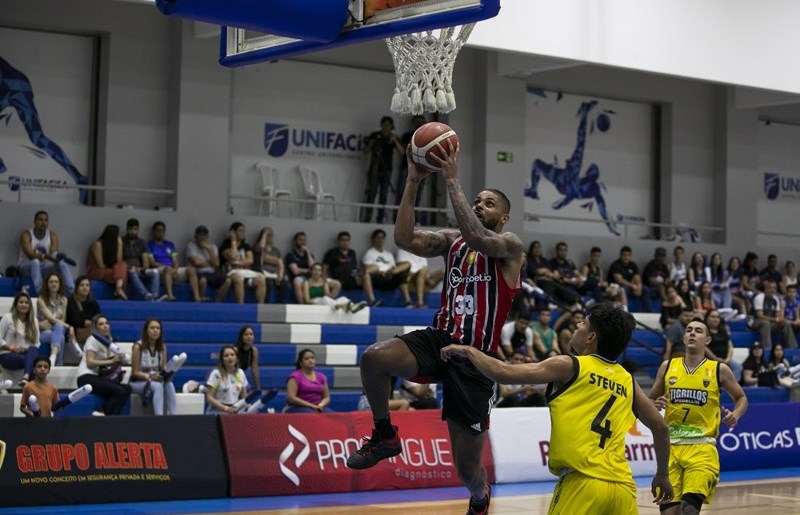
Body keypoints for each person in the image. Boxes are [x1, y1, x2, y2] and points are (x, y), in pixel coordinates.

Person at [346, 141, 524, 515]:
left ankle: (479, 496)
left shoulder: (509, 245)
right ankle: (384, 434)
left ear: (504, 217)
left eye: (489, 203)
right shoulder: (451, 240)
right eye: (478, 200)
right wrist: (412, 180)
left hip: (476, 359)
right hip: (440, 338)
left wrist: (452, 180)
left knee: (466, 470)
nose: (479, 205)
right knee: (374, 358)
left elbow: (479, 238)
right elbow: (404, 239)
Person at [441, 302, 673, 513]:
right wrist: (662, 474)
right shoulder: (628, 380)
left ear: (591, 337)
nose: (578, 325)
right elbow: (661, 428)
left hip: (582, 484)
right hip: (623, 488)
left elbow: (503, 372)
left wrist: (470, 351)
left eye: (583, 322)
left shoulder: (568, 365)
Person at [650, 318, 748, 515]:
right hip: (671, 449)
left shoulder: (719, 369)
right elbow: (650, 400)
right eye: (689, 330)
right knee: (669, 513)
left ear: (708, 340)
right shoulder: (667, 367)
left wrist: (735, 414)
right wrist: (655, 403)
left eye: (698, 331)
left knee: (689, 510)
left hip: (702, 448)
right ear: (684, 337)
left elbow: (741, 397)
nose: (692, 333)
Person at [77, 314, 132, 416]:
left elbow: (124, 358)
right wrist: (112, 361)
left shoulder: (109, 342)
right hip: (86, 377)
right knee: (119, 391)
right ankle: (104, 413)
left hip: (99, 378)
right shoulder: (92, 339)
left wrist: (122, 358)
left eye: (106, 323)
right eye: (101, 324)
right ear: (96, 328)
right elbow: (90, 363)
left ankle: (110, 415)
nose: (105, 326)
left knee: (127, 389)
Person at [17, 210, 75, 296]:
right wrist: (47, 256)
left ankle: (71, 291)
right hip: (26, 267)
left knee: (61, 263)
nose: (43, 222)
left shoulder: (52, 235)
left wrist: (58, 257)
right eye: (40, 220)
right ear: (35, 221)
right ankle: (40, 292)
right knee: (35, 262)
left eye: (46, 220)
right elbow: (31, 256)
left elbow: (53, 255)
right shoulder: (26, 235)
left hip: (43, 267)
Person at [361, 115, 404, 224]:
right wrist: (372, 143)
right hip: (374, 168)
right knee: (371, 193)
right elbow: (366, 151)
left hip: (387, 170)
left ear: (391, 126)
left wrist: (394, 141)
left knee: (384, 195)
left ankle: (380, 219)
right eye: (384, 125)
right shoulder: (375, 135)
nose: (386, 127)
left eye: (388, 125)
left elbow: (402, 153)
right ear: (381, 125)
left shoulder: (393, 137)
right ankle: (367, 217)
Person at [129, 319, 177, 416]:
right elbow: (135, 372)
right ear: (146, 331)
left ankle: (173, 416)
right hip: (138, 382)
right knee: (158, 386)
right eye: (152, 328)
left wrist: (167, 375)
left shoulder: (162, 347)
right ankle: (158, 417)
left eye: (158, 328)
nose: (155, 330)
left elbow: (162, 370)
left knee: (169, 385)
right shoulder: (138, 346)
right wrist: (149, 377)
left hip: (155, 380)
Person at [323, 231, 379, 307]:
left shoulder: (352, 252)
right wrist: (324, 280)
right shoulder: (332, 253)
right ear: (338, 241)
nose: (345, 242)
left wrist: (358, 274)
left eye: (347, 240)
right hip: (340, 279)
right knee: (365, 272)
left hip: (354, 276)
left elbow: (354, 267)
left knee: (369, 273)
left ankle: (373, 301)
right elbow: (324, 268)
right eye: (342, 240)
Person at [37, 271, 79, 366]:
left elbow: (62, 320)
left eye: (56, 282)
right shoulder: (41, 300)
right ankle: (59, 364)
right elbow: (50, 318)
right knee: (60, 336)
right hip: (43, 331)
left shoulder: (64, 300)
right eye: (51, 282)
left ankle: (53, 357)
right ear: (47, 284)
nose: (54, 284)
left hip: (56, 329)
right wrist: (69, 327)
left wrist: (61, 325)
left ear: (60, 284)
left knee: (59, 329)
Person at [362, 228, 413, 307]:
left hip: (390, 276)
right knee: (366, 275)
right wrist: (379, 271)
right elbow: (367, 269)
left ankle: (408, 302)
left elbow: (394, 267)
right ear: (374, 239)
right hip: (378, 278)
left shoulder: (388, 254)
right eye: (378, 237)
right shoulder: (369, 253)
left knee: (406, 265)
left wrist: (391, 271)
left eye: (382, 237)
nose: (380, 240)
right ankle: (373, 301)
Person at [149, 221, 198, 301]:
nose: (160, 233)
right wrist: (167, 267)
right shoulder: (149, 245)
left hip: (172, 269)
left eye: (162, 231)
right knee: (168, 269)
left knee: (191, 270)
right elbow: (152, 262)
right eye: (158, 230)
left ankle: (197, 297)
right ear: (154, 232)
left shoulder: (169, 244)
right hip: (159, 270)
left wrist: (175, 269)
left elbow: (175, 260)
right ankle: (170, 295)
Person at [220, 222, 267, 304]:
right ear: (233, 232)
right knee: (238, 279)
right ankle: (241, 307)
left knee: (261, 279)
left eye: (243, 231)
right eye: (240, 230)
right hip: (230, 273)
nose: (242, 233)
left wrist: (236, 263)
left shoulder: (246, 246)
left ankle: (260, 307)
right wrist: (233, 241)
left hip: (245, 273)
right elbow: (232, 256)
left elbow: (250, 260)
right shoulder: (225, 245)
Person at [0, 292, 40, 386]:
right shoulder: (7, 318)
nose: (24, 305)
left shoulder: (34, 320)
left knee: (33, 350)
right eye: (21, 302)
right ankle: (34, 390)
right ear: (16, 304)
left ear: (29, 305)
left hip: (26, 354)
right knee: (33, 363)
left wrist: (25, 349)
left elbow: (37, 343)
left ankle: (25, 377)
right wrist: (13, 348)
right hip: (7, 354)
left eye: (26, 303)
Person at [185, 225, 232, 302]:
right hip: (198, 272)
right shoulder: (191, 246)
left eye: (204, 235)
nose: (202, 237)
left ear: (207, 236)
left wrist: (208, 249)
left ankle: (217, 302)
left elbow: (216, 264)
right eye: (200, 235)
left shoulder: (212, 247)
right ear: (195, 236)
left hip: (212, 273)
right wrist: (210, 263)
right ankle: (200, 301)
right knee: (203, 280)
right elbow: (197, 262)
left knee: (228, 281)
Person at [750, 280, 797, 348]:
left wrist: (781, 318)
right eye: (770, 288)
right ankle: (768, 349)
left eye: (774, 288)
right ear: (765, 289)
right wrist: (775, 319)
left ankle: (793, 349)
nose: (772, 290)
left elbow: (777, 315)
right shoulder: (759, 297)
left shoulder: (776, 299)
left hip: (770, 323)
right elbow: (759, 315)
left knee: (785, 324)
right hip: (756, 322)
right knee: (765, 323)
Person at [122, 218, 160, 301]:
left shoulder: (142, 242)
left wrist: (142, 268)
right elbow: (119, 259)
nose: (132, 231)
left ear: (138, 230)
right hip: (126, 270)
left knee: (155, 272)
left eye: (135, 229)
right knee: (132, 270)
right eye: (130, 229)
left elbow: (145, 261)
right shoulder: (121, 241)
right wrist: (129, 267)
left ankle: (155, 296)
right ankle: (146, 294)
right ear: (127, 229)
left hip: (139, 270)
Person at [302, 263, 367, 313]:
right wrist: (317, 301)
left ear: (321, 273)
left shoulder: (324, 282)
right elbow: (306, 300)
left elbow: (328, 296)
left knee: (343, 298)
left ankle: (353, 306)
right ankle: (340, 306)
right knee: (325, 299)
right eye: (315, 270)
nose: (316, 272)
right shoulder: (307, 282)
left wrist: (325, 285)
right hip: (314, 302)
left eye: (319, 270)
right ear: (311, 271)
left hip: (324, 301)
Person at [86, 224, 128, 300]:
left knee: (123, 264)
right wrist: (114, 270)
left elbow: (119, 260)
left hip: (107, 269)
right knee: (122, 276)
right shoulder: (98, 244)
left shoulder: (114, 245)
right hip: (95, 270)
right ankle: (118, 291)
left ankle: (118, 289)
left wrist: (120, 244)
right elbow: (100, 265)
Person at [284, 348, 332, 413]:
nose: (310, 360)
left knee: (332, 416)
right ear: (301, 363)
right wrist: (311, 406)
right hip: (297, 407)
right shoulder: (294, 377)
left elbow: (326, 397)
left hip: (317, 406)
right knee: (311, 415)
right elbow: (292, 398)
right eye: (307, 359)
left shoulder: (322, 377)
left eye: (312, 358)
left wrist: (321, 404)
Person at [205, 344, 248, 414]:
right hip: (217, 410)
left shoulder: (241, 373)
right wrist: (225, 408)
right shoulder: (216, 374)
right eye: (226, 356)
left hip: (235, 410)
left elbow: (244, 396)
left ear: (236, 358)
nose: (230, 357)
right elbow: (209, 397)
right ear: (222, 360)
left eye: (232, 355)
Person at [608, 245, 651, 312]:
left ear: (630, 256)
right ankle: (625, 312)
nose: (626, 257)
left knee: (645, 289)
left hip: (630, 287)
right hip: (617, 287)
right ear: (620, 255)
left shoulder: (633, 265)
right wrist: (632, 286)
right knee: (623, 290)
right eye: (624, 255)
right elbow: (619, 280)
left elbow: (637, 278)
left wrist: (639, 285)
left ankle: (648, 311)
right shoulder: (616, 265)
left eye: (628, 255)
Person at [704, 309, 742, 382]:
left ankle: (729, 388)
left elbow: (730, 346)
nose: (716, 319)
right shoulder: (704, 331)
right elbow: (704, 347)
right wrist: (716, 359)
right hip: (709, 360)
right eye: (713, 317)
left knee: (737, 367)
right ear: (707, 318)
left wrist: (728, 359)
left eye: (717, 317)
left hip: (725, 359)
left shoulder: (723, 330)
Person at [252, 226, 289, 303]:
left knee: (284, 283)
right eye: (268, 235)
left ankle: (280, 304)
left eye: (271, 235)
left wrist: (281, 274)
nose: (270, 237)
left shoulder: (276, 250)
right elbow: (261, 248)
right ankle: (266, 305)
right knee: (269, 283)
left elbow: (280, 264)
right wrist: (265, 233)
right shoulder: (257, 247)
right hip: (264, 273)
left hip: (274, 274)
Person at [66, 275, 100, 346]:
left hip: (89, 330)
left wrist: (89, 323)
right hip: (73, 331)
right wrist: (86, 322)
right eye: (82, 285)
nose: (85, 287)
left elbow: (98, 319)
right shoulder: (71, 301)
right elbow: (74, 320)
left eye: (87, 285)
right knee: (97, 333)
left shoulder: (93, 303)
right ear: (77, 288)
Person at [234, 325, 260, 391]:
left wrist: (258, 387)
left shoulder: (254, 351)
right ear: (241, 337)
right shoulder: (235, 349)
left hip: (241, 379)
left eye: (251, 334)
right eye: (246, 334)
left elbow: (255, 371)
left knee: (248, 388)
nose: (249, 337)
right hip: (231, 377)